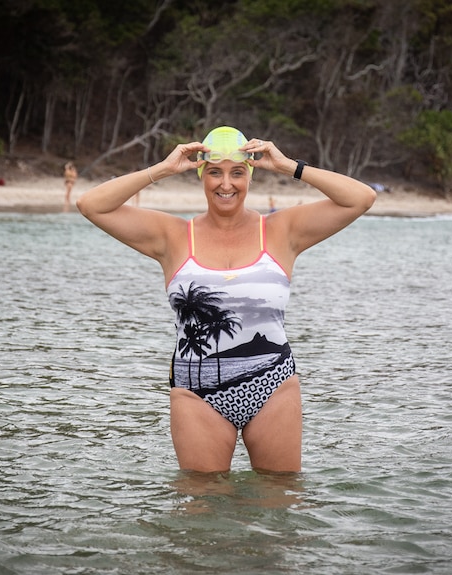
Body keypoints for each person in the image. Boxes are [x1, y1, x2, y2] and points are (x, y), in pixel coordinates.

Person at [76, 126, 376, 473]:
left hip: (273, 385)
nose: (226, 184)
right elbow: (91, 205)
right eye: (215, 172)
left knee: (279, 504)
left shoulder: (282, 231)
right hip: (195, 394)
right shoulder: (172, 236)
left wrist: (288, 167)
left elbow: (361, 198)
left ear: (250, 175)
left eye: (237, 173)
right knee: (201, 511)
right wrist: (162, 170)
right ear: (201, 175)